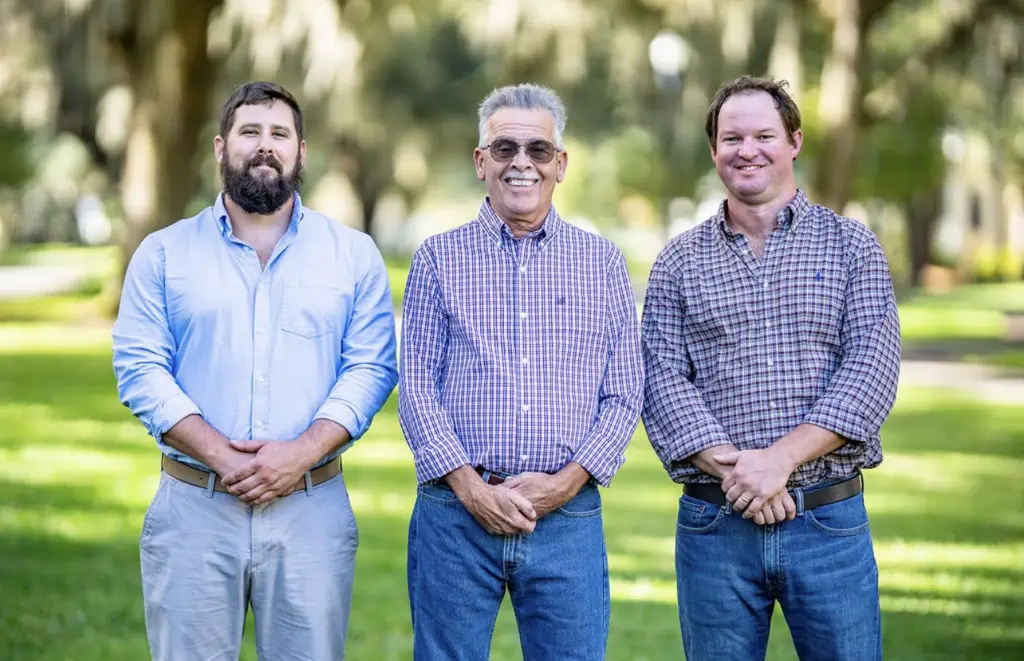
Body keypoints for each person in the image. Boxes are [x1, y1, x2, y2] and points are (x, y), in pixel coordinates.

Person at [112, 81, 398, 661]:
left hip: (311, 511)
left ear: (301, 152)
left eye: (279, 134)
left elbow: (370, 367)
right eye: (249, 132)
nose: (264, 146)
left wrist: (299, 455)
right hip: (194, 508)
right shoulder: (163, 253)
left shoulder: (353, 255)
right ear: (221, 148)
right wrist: (219, 453)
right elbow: (140, 368)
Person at [641, 75, 900, 661]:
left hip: (827, 522)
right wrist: (744, 477)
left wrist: (778, 462)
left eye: (764, 135)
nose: (747, 149)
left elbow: (870, 371)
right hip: (715, 526)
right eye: (731, 137)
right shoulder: (679, 261)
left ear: (794, 142)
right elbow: (659, 378)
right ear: (714, 150)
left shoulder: (851, 247)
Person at [398, 82, 644, 661]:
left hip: (568, 518)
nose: (521, 164)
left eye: (537, 150)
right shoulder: (438, 258)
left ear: (560, 164)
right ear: (481, 162)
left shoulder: (601, 261)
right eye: (504, 148)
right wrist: (470, 488)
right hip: (455, 518)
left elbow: (625, 389)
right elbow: (417, 385)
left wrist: (566, 483)